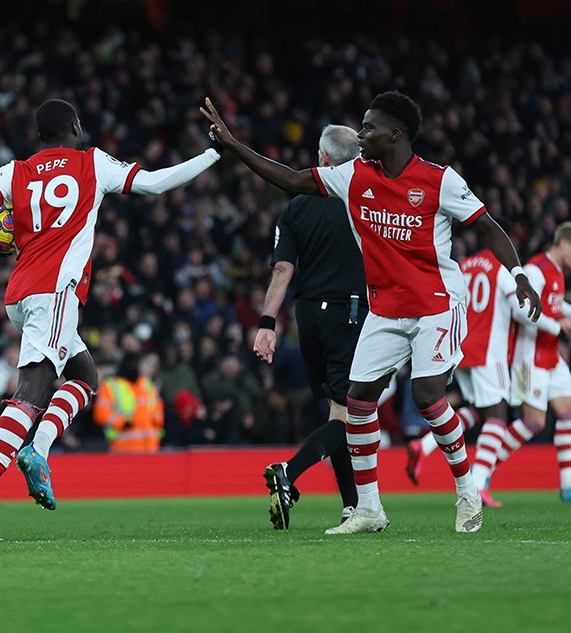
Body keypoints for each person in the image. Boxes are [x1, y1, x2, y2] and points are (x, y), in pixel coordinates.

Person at [202, 91, 542, 534]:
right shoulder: (354, 175)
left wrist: (518, 274)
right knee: (358, 402)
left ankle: (466, 490)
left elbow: (487, 226)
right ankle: (368, 509)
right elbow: (291, 179)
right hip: (385, 309)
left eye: (369, 128)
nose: (361, 135)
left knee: (427, 397)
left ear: (396, 135)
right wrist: (232, 144)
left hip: (436, 305)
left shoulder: (439, 180)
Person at [0, 98, 221, 540]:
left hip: (20, 294)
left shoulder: (14, 170)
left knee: (84, 376)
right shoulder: (91, 163)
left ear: (40, 135)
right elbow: (154, 184)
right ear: (75, 127)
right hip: (55, 293)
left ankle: (37, 451)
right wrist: (213, 154)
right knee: (33, 391)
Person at [253, 124, 363, 530]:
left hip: (306, 317)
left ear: (323, 159)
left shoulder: (297, 205)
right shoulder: (361, 199)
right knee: (350, 417)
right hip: (350, 312)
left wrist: (267, 324)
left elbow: (283, 270)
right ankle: (289, 472)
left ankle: (353, 505)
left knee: (338, 409)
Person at [403, 245, 562, 507]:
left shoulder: (465, 265)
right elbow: (520, 307)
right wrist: (554, 326)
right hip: (490, 352)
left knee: (478, 411)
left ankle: (425, 445)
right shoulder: (500, 268)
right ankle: (477, 484)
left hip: (462, 346)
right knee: (497, 416)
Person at [494, 224, 571, 502]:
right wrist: (557, 327)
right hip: (530, 357)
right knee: (534, 422)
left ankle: (567, 485)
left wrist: (566, 315)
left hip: (551, 356)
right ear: (562, 243)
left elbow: (554, 304)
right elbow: (522, 309)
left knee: (567, 413)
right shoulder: (536, 270)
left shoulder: (558, 272)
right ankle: (486, 468)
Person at [93, 352, 165, 453]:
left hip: (151, 448)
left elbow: (158, 409)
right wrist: (121, 422)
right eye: (131, 364)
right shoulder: (111, 386)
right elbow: (100, 414)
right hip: (123, 449)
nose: (133, 367)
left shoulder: (148, 385)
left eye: (136, 364)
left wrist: (156, 422)